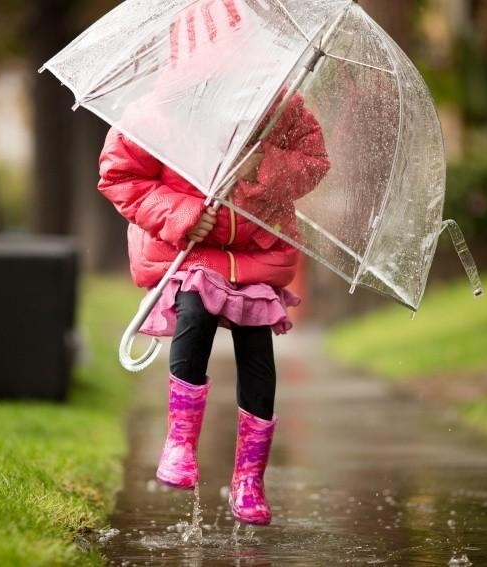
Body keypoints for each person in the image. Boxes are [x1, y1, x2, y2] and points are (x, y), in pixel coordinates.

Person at [96, 1, 330, 527]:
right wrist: (181, 214)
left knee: (256, 353)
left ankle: (249, 478)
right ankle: (180, 442)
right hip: (192, 249)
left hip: (254, 253)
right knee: (196, 308)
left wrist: (263, 166)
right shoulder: (155, 116)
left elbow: (315, 161)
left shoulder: (275, 108)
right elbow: (120, 179)